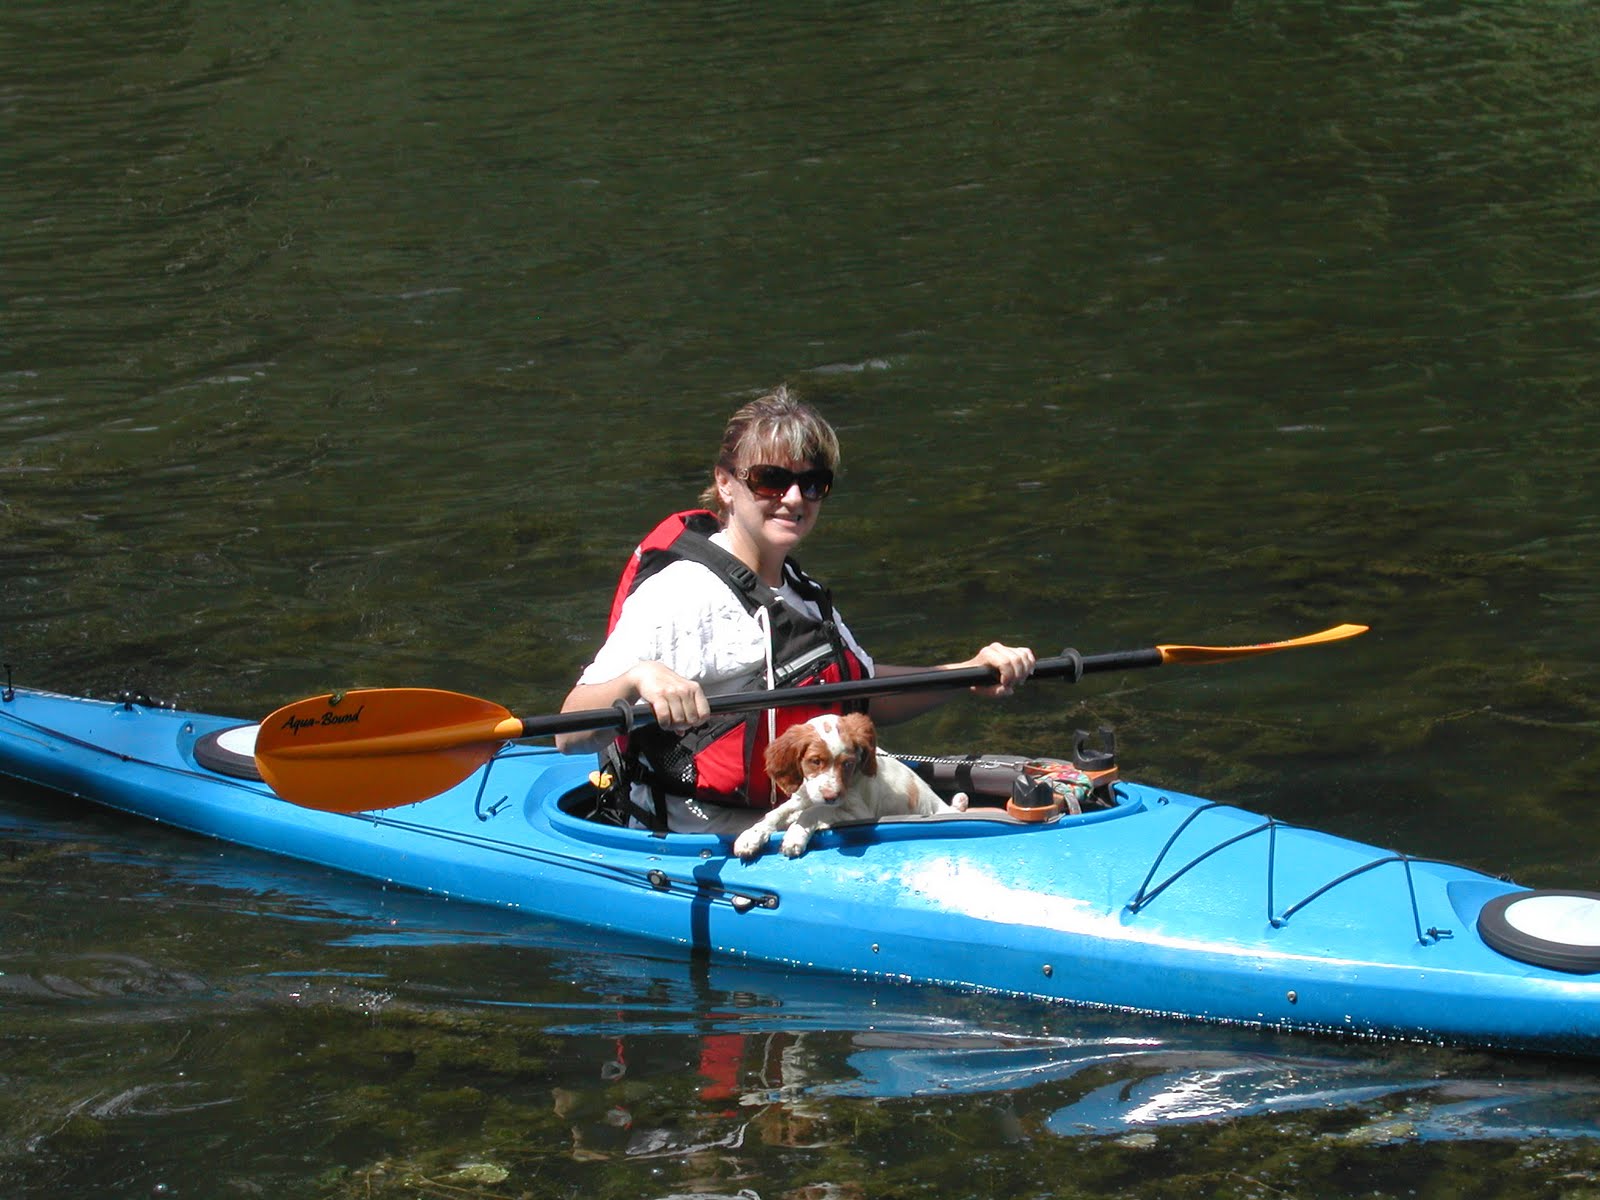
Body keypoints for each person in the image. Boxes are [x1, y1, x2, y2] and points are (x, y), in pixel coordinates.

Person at [557, 386, 1035, 833]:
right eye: (771, 480)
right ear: (725, 483)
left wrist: (965, 673)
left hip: (813, 807)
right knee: (990, 826)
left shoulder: (801, 591)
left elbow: (862, 694)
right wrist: (638, 679)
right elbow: (570, 733)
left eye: (812, 484)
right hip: (713, 830)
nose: (793, 498)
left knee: (1008, 815)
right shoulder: (681, 594)